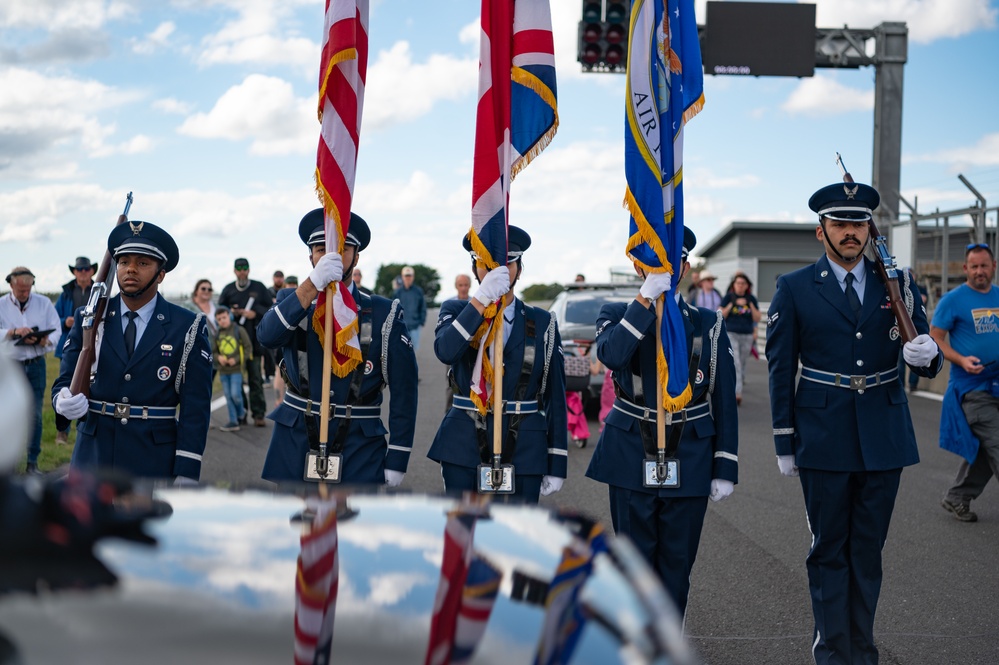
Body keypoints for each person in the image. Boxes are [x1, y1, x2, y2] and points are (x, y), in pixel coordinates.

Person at [766, 181, 943, 664]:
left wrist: (928, 356)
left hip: (883, 434)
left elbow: (924, 356)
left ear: (870, 229)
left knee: (867, 551)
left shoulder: (900, 283)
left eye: (858, 223)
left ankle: (861, 650)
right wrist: (785, 440)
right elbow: (781, 368)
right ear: (820, 231)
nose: (850, 233)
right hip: (822, 435)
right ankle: (831, 648)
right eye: (840, 224)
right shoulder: (795, 287)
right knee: (828, 549)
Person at [584, 228, 738, 618]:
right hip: (630, 451)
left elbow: (723, 399)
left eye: (672, 263)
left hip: (690, 454)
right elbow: (614, 356)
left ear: (685, 267)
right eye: (655, 262)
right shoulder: (616, 313)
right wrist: (646, 298)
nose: (665, 270)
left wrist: (725, 465)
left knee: (676, 569)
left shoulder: (708, 323)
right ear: (639, 265)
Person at [256, 209, 418, 485]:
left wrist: (398, 457)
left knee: (352, 529)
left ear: (356, 256)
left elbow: (405, 390)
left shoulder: (382, 311)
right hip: (295, 441)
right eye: (321, 250)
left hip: (359, 446)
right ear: (311, 257)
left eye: (342, 250)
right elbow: (267, 337)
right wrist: (311, 286)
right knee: (297, 528)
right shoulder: (292, 299)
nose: (331, 257)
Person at [52, 221, 213, 481]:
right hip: (93, 456)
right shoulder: (89, 318)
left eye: (143, 263)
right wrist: (61, 399)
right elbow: (64, 379)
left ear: (161, 274)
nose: (130, 270)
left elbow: (195, 408)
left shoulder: (187, 325)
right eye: (124, 261)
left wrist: (186, 471)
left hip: (152, 459)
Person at [428, 226, 567, 504]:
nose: (497, 272)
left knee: (515, 541)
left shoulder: (543, 322)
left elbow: (555, 396)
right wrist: (481, 300)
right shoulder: (456, 311)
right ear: (474, 267)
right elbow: (446, 351)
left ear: (519, 267)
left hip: (525, 444)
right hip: (464, 441)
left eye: (507, 264)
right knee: (466, 538)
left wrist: (557, 459)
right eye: (487, 265)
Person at [931, 243, 999, 523]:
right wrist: (960, 359)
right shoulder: (952, 300)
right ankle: (958, 496)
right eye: (974, 266)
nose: (980, 271)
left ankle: (957, 497)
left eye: (984, 265)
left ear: (993, 266)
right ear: (965, 269)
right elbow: (934, 338)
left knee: (985, 450)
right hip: (972, 389)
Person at [1, 267, 61, 474]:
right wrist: (12, 332)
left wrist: (45, 341)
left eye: (28, 290)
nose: (25, 294)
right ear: (11, 285)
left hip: (36, 364)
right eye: (21, 290)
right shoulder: (1, 305)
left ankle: (32, 463)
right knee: (5, 413)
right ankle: (6, 465)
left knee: (35, 413)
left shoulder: (43, 303)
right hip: (10, 366)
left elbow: (57, 329)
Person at [217, 257, 273, 427]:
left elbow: (271, 308)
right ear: (234, 271)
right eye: (239, 268)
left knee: (255, 379)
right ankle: (241, 414)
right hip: (233, 345)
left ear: (249, 270)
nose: (242, 271)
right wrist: (233, 313)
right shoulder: (228, 290)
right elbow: (221, 311)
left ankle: (259, 414)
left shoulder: (259, 287)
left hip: (254, 342)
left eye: (245, 268)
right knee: (237, 381)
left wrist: (254, 313)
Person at [53, 256, 96, 445]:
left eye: (86, 269)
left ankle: (86, 428)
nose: (83, 272)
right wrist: (66, 322)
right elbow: (55, 319)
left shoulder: (99, 291)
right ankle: (63, 430)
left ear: (92, 271)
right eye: (80, 270)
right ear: (74, 272)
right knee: (66, 388)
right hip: (70, 345)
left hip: (94, 347)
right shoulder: (66, 294)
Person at [720, 272, 761, 405]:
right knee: (736, 362)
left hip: (747, 334)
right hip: (732, 333)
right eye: (738, 283)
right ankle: (737, 392)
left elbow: (757, 318)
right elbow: (721, 315)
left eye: (743, 283)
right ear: (734, 285)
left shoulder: (751, 299)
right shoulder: (728, 297)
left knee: (742, 362)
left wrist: (750, 304)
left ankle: (740, 381)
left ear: (747, 285)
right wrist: (732, 304)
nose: (740, 286)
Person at [213, 306, 251, 432]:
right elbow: (213, 351)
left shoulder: (238, 330)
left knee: (235, 395)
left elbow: (248, 348)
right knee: (228, 396)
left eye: (224, 317)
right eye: (219, 319)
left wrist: (237, 360)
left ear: (229, 315)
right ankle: (233, 421)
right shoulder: (217, 333)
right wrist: (218, 358)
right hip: (223, 371)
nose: (222, 321)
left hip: (236, 370)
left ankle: (241, 412)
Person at [393, 266, 427, 351]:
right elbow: (393, 309)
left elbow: (422, 307)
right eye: (406, 275)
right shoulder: (397, 292)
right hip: (401, 327)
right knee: (402, 350)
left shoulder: (418, 291)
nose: (408, 278)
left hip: (415, 326)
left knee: (413, 350)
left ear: (413, 277)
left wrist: (421, 321)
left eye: (410, 275)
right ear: (402, 277)